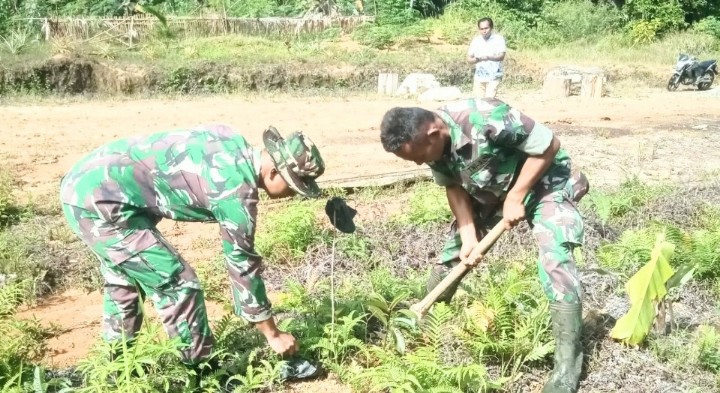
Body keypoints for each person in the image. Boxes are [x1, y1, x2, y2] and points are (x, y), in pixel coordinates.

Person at [59, 124, 326, 368]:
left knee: (125, 280)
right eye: (293, 186)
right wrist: (273, 334)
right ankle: (200, 371)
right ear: (274, 171)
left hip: (86, 183)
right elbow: (242, 265)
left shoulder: (232, 141)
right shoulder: (235, 192)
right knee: (178, 283)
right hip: (99, 204)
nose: (292, 194)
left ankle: (115, 368)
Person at [379, 98, 590, 393]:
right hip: (493, 192)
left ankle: (567, 367)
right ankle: (425, 327)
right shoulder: (429, 145)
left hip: (546, 183)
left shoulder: (487, 117)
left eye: (418, 156)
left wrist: (517, 195)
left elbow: (548, 145)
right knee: (453, 255)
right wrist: (468, 236)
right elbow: (452, 186)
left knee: (555, 258)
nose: (417, 163)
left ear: (433, 133)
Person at [467, 17, 507, 99]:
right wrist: (476, 60)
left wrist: (489, 58)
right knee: (479, 102)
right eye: (481, 29)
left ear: (491, 27)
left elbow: (501, 56)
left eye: (486, 28)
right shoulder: (476, 41)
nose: (484, 31)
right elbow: (469, 59)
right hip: (479, 77)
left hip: (494, 76)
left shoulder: (498, 39)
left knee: (489, 102)